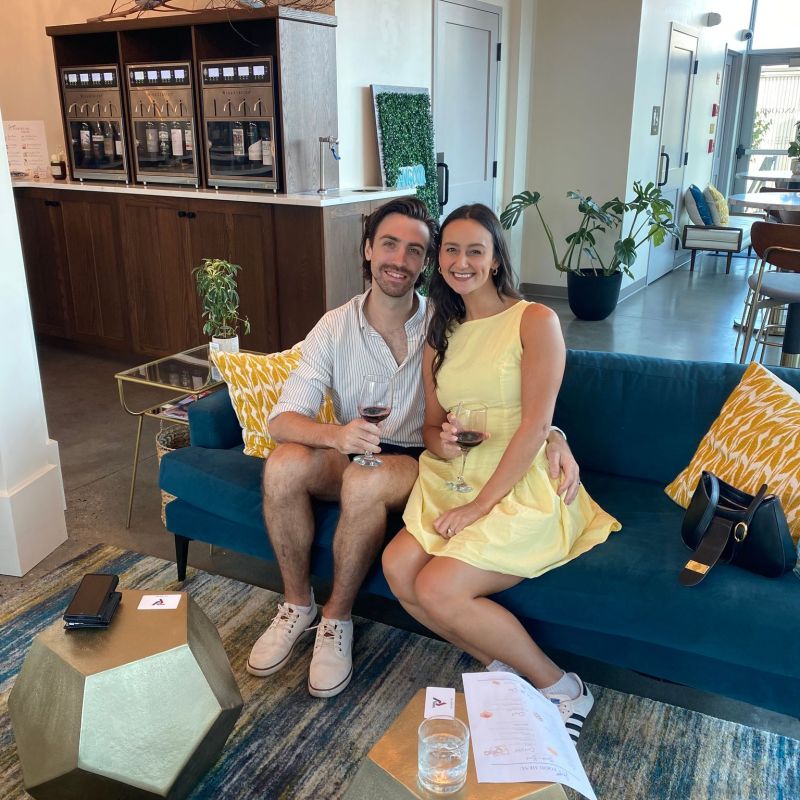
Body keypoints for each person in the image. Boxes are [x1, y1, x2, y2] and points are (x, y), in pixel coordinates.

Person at [247, 197, 581, 699]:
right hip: (375, 450)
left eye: (414, 250)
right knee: (283, 464)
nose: (399, 260)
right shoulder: (351, 327)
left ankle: (338, 620)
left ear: (428, 264)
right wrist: (336, 435)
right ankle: (298, 606)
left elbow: (521, 404)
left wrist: (555, 435)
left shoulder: (444, 321)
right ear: (367, 250)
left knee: (367, 481)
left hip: (413, 463)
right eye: (389, 245)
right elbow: (281, 419)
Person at [382, 203, 620, 741]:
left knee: (439, 588)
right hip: (454, 477)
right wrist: (440, 444)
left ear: (494, 260)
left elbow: (537, 425)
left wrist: (477, 507)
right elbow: (431, 429)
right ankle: (501, 668)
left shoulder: (534, 320)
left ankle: (564, 688)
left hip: (519, 480)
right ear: (437, 260)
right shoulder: (439, 335)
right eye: (451, 250)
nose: (461, 261)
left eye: (474, 251)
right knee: (399, 569)